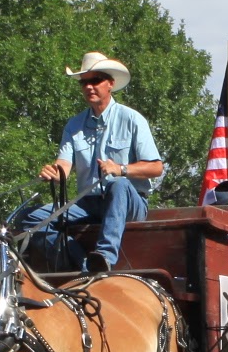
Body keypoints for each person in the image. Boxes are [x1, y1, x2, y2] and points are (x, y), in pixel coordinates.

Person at [37, 51, 162, 273]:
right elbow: (64, 165)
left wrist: (121, 169)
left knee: (119, 184)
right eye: (83, 82)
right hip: (88, 203)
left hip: (129, 202)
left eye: (95, 80)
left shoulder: (132, 119)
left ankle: (105, 256)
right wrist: (55, 173)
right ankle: (84, 265)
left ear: (110, 84)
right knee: (31, 220)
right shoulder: (74, 125)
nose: (88, 87)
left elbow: (156, 167)